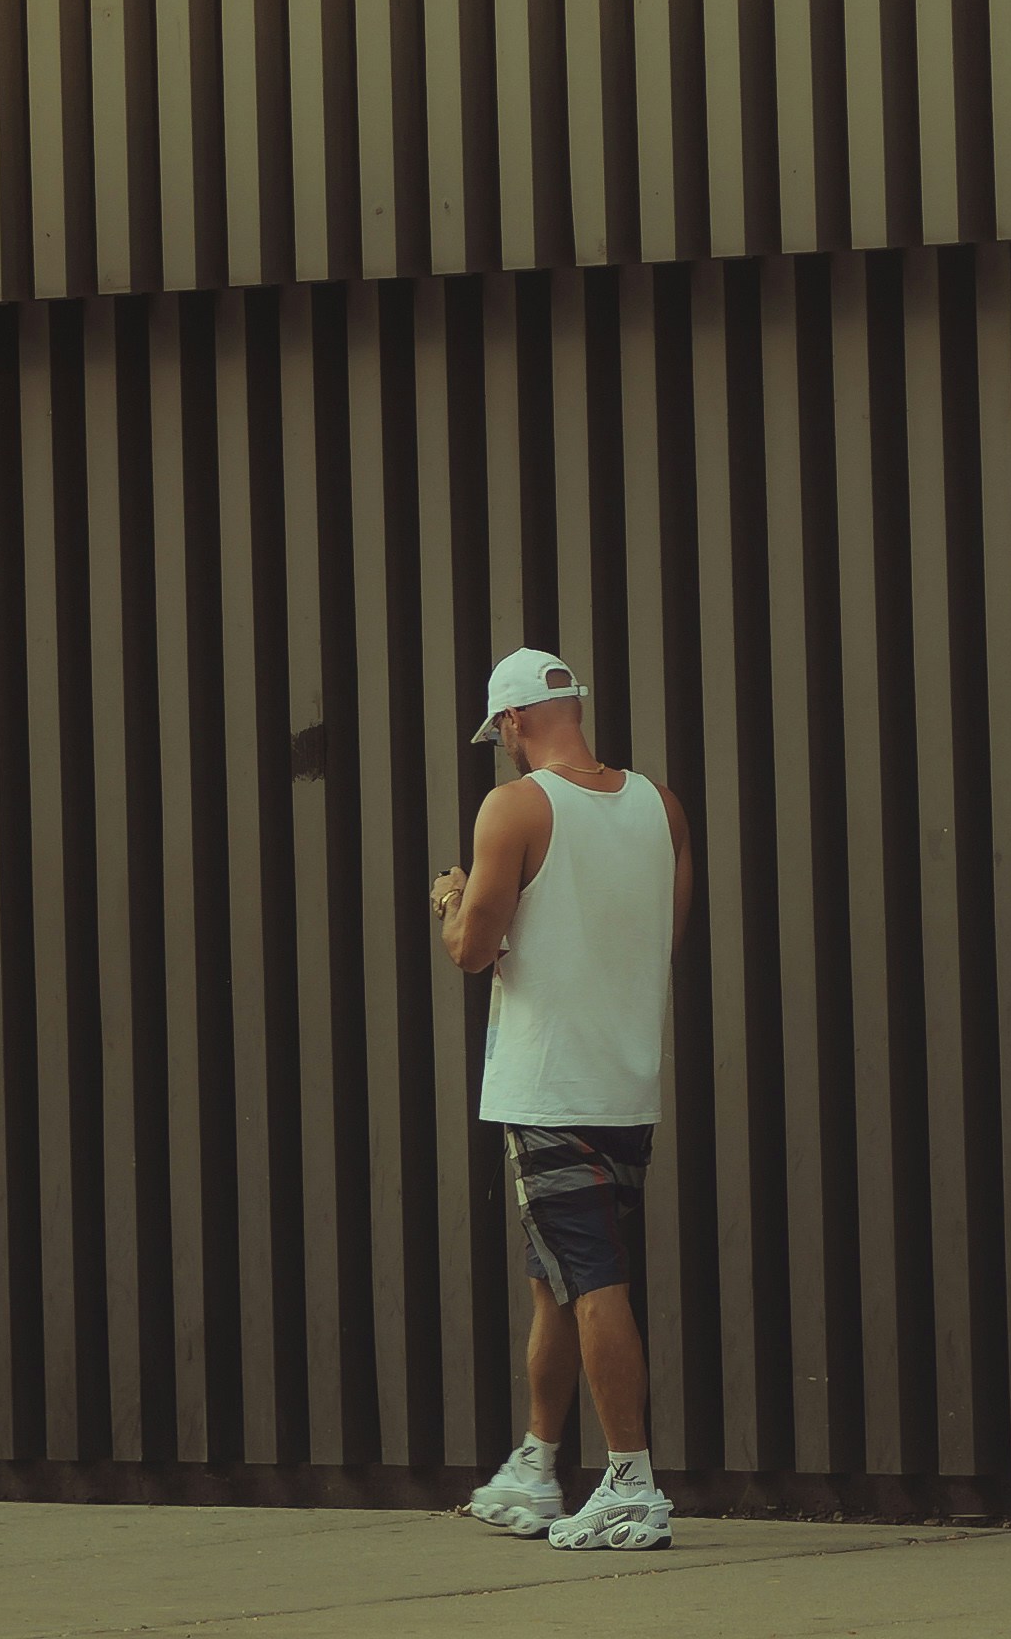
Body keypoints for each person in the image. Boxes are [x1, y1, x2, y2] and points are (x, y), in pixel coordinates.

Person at [427, 644, 694, 1554]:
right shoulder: (660, 806)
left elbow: (473, 951)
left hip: (546, 1086)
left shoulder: (514, 807)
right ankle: (540, 1465)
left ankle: (630, 1482)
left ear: (510, 724)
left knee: (591, 1283)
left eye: (498, 730)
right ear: (573, 704)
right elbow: (663, 930)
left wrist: (454, 902)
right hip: (625, 1081)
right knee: (555, 1280)